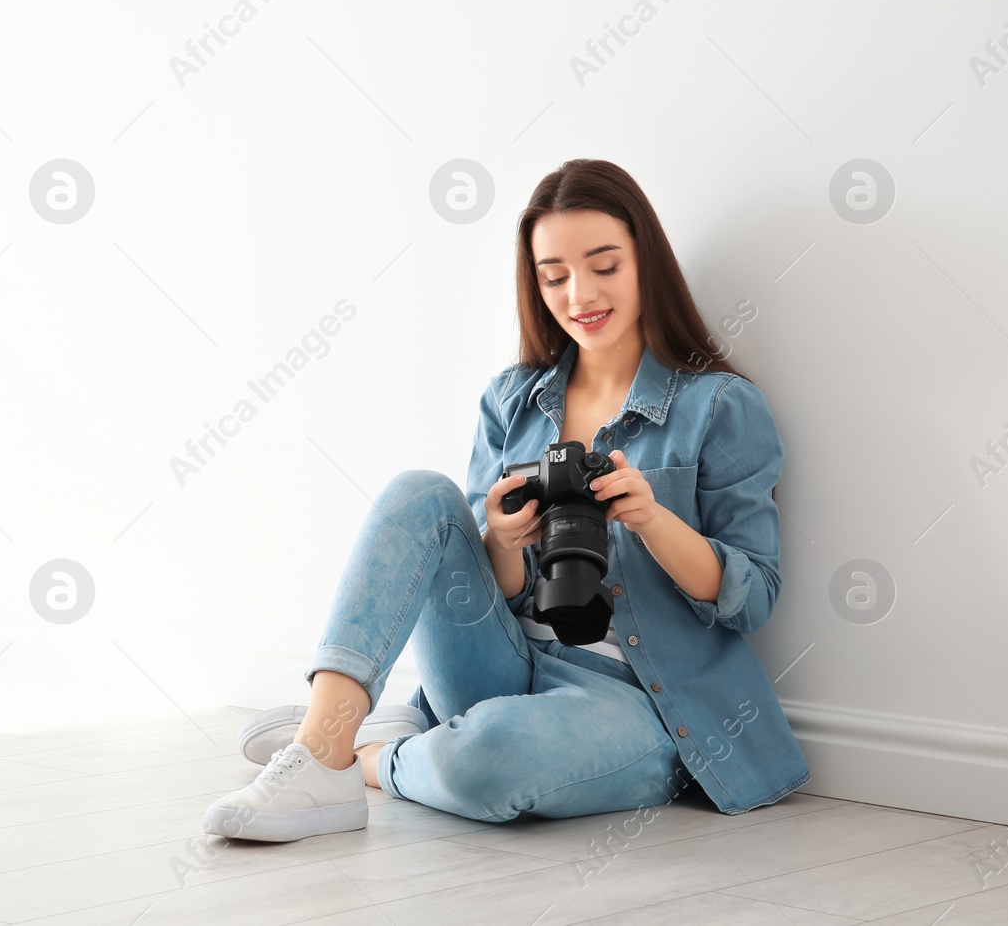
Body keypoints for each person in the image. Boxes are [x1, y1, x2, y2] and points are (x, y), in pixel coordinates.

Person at [203, 158, 810, 843]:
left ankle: (369, 752)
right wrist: (499, 539)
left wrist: (653, 519)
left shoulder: (720, 406)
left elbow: (754, 596)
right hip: (502, 662)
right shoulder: (511, 398)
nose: (579, 293)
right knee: (419, 493)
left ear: (647, 262)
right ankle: (318, 755)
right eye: (554, 276)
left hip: (640, 702)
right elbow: (497, 594)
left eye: (604, 266)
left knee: (490, 759)